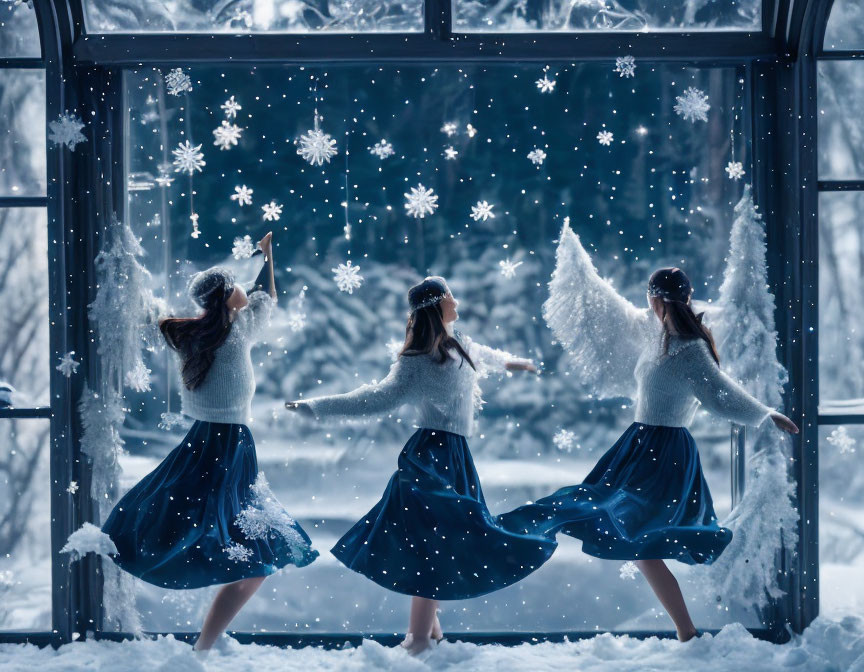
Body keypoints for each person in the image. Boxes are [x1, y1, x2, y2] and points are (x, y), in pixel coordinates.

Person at [499, 220, 798, 642]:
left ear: (659, 301)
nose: (649, 305)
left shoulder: (691, 351)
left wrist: (765, 414)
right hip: (639, 444)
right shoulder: (655, 333)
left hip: (664, 451)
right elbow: (618, 313)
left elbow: (721, 393)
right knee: (625, 532)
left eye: (652, 298)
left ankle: (687, 632)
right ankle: (686, 632)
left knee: (637, 539)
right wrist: (581, 276)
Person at [286, 276, 552, 654]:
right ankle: (420, 640)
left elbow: (483, 355)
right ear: (436, 303)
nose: (456, 300)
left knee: (442, 543)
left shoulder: (455, 343)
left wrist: (510, 362)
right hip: (433, 456)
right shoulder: (417, 361)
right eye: (449, 295)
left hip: (455, 455)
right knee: (434, 546)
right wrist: (315, 406)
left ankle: (428, 636)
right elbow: (376, 398)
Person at [102, 232, 318, 652]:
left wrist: (262, 258)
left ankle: (201, 621)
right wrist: (267, 259)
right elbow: (267, 295)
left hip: (208, 441)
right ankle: (205, 636)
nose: (243, 289)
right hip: (230, 442)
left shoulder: (190, 334)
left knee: (201, 518)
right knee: (232, 533)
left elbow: (252, 295)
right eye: (235, 286)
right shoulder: (234, 334)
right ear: (225, 296)